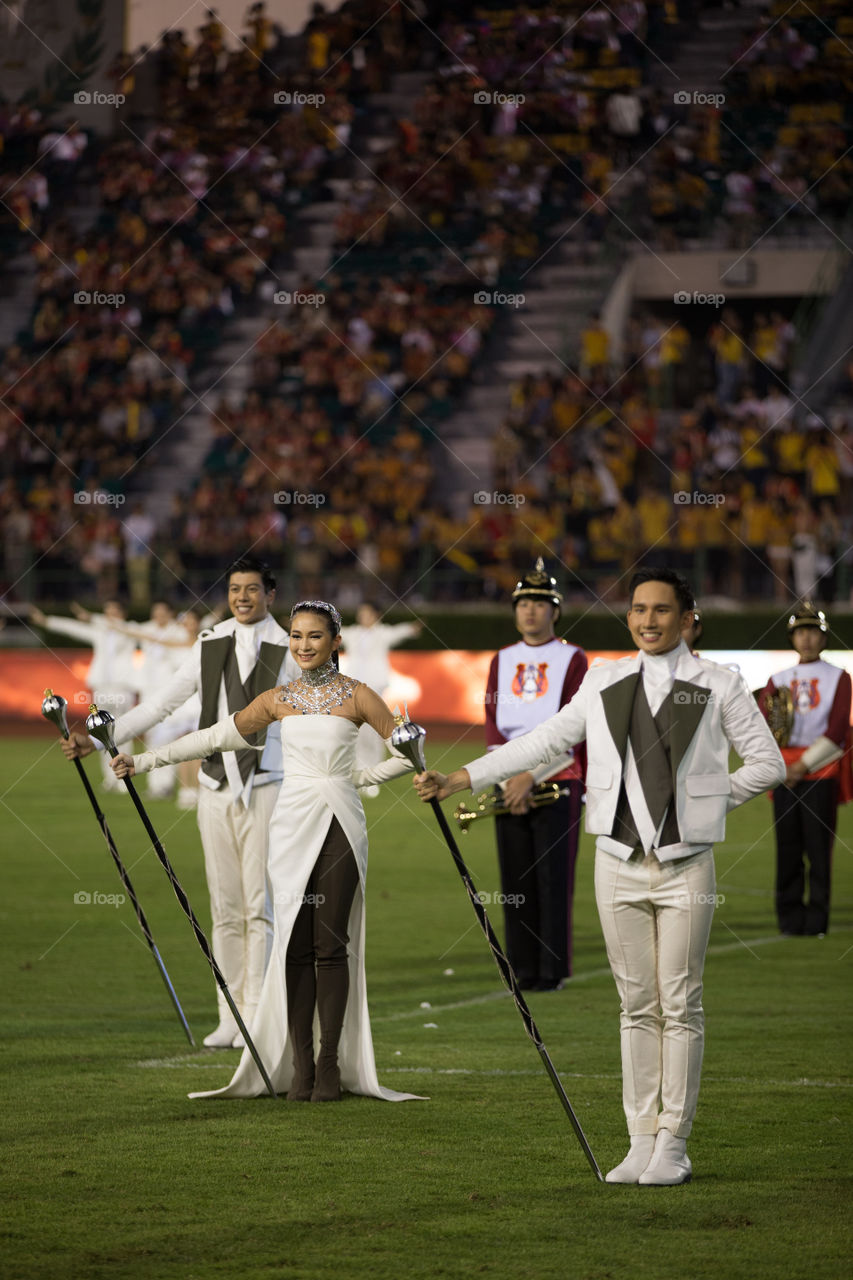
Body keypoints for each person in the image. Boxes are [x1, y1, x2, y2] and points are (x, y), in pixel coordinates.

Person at [414, 569, 784, 1186]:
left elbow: (767, 763)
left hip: (685, 866)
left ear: (687, 617)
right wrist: (463, 778)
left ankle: (675, 1142)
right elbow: (545, 738)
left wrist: (705, 805)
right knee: (636, 1006)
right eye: (638, 608)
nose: (647, 620)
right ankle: (639, 1139)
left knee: (680, 1003)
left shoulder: (719, 684)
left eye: (662, 610)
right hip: (616, 864)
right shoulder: (605, 678)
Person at [110, 600, 420, 1104]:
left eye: (314, 636)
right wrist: (144, 760)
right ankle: (298, 1064)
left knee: (330, 944)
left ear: (335, 641)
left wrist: (360, 779)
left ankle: (329, 1064)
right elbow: (214, 736)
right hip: (291, 822)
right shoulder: (279, 698)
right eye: (296, 636)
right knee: (294, 944)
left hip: (342, 819)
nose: (303, 645)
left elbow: (407, 751)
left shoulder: (360, 696)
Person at [61, 558, 299, 1048]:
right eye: (235, 589)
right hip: (214, 784)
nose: (242, 597)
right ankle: (229, 1014)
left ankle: (258, 1015)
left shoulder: (290, 646)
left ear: (271, 594)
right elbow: (160, 705)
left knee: (262, 906)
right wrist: (99, 738)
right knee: (225, 906)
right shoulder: (209, 643)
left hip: (269, 784)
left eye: (252, 589)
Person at [484, 558, 587, 989]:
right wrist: (510, 777)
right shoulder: (501, 659)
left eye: (540, 603)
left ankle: (552, 969)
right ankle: (522, 967)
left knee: (553, 880)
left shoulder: (573, 658)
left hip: (558, 781)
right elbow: (492, 721)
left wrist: (530, 776)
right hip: (509, 781)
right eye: (523, 602)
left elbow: (576, 728)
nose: (530, 610)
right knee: (515, 879)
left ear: (555, 611)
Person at [759, 603, 852, 936]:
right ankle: (789, 920)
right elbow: (763, 727)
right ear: (792, 637)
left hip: (820, 772)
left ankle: (817, 922)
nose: (807, 638)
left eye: (813, 631)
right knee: (787, 848)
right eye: (801, 632)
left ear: (823, 637)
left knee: (818, 850)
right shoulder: (778, 679)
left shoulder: (840, 677)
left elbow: (839, 730)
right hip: (784, 774)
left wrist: (802, 765)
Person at [30, 600, 138, 794]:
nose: (109, 616)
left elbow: (122, 628)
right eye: (107, 612)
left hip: (123, 688)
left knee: (124, 731)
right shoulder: (100, 632)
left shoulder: (131, 630)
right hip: (101, 688)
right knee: (101, 732)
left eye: (113, 612)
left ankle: (124, 779)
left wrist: (93, 618)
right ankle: (110, 778)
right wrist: (47, 621)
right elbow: (73, 628)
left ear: (123, 613)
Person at [339, 602, 423, 796]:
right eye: (361, 613)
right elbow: (332, 632)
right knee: (356, 730)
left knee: (374, 729)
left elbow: (400, 631)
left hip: (375, 686)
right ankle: (360, 772)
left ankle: (374, 774)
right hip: (354, 687)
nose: (363, 617)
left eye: (367, 613)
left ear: (376, 615)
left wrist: (412, 628)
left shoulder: (382, 633)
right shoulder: (353, 633)